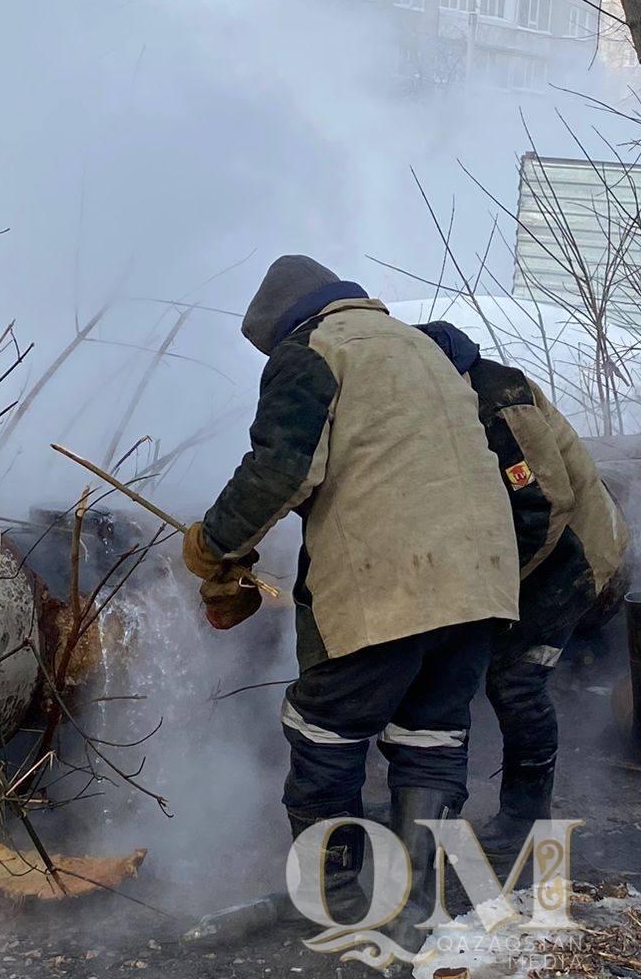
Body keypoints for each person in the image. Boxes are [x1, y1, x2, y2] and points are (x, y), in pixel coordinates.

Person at [182, 256, 519, 947]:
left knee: (321, 729)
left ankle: (331, 897)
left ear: (285, 324)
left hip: (394, 577)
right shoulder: (419, 345)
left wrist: (216, 545)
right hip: (483, 576)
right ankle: (411, 907)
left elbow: (282, 468)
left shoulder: (313, 349)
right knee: (429, 736)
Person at [415, 321, 630, 859]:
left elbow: (545, 503)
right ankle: (436, 807)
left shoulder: (500, 401)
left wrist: (497, 584)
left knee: (516, 679)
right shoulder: (454, 398)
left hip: (568, 557)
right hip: (525, 556)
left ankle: (526, 819)